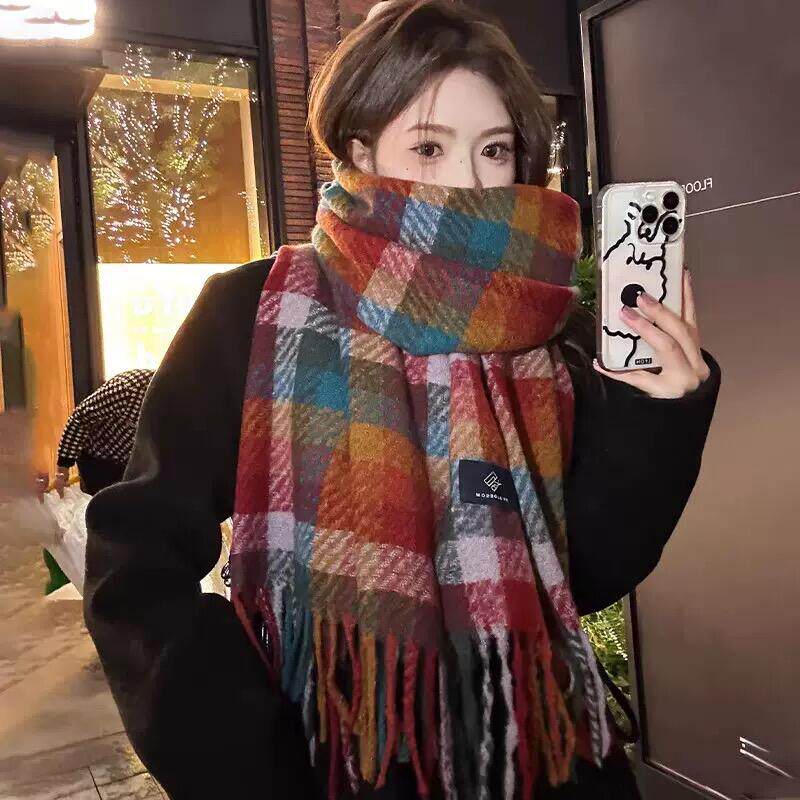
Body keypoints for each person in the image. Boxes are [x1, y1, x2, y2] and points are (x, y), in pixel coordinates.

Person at [83, 3, 720, 799]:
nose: (469, 182)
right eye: (429, 147)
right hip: (334, 764)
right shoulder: (254, 310)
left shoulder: (548, 327)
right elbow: (136, 561)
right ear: (362, 151)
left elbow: (586, 572)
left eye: (495, 150)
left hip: (542, 758)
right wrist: (248, 762)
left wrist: (658, 413)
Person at [55, 368, 154, 497]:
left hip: (135, 464)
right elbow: (80, 418)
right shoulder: (127, 388)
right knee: (104, 505)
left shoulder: (176, 402)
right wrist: (63, 467)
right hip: (99, 459)